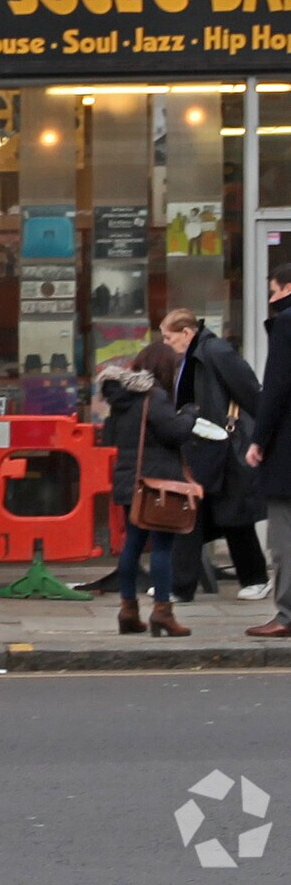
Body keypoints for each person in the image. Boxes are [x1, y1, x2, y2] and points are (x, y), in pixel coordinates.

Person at [99, 339, 224, 637]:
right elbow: (174, 432)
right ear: (164, 368)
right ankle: (162, 612)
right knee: (162, 547)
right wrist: (190, 414)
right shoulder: (153, 396)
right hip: (156, 483)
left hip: (129, 479)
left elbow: (110, 436)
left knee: (132, 544)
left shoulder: (121, 398)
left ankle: (128, 610)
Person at [160, 307, 270, 601]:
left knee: (231, 515)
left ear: (186, 333)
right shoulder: (196, 355)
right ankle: (182, 586)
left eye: (169, 337)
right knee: (196, 514)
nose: (166, 343)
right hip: (203, 444)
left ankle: (254, 578)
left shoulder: (216, 352)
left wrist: (259, 436)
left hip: (223, 444)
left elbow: (249, 391)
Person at [243, 262, 291, 638]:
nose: (271, 299)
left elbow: (275, 390)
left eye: (273, 291)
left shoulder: (286, 324)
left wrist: (258, 440)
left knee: (283, 538)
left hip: (287, 453)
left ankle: (287, 615)